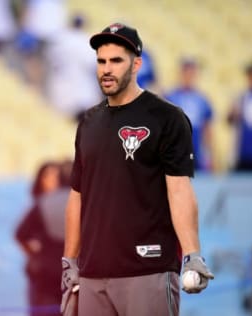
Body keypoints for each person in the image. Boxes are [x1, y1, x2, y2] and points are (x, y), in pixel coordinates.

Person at [61, 23, 214, 316]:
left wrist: (192, 254)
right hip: (93, 275)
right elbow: (77, 197)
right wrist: (69, 263)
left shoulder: (168, 117)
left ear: (136, 64)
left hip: (148, 271)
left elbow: (179, 189)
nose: (107, 69)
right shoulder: (88, 122)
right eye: (101, 61)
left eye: (116, 60)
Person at [15, 160, 63, 316]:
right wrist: (35, 253)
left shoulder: (68, 204)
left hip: (66, 274)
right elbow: (21, 234)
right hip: (43, 276)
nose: (52, 180)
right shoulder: (39, 206)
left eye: (56, 176)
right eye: (48, 176)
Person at [44, 13, 102, 122]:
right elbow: (93, 64)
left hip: (61, 82)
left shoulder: (60, 38)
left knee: (61, 117)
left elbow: (50, 58)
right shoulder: (87, 41)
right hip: (81, 84)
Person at [165, 57, 214, 171]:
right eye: (186, 71)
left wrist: (211, 156)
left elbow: (207, 129)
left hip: (197, 151)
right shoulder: (170, 97)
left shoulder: (202, 99)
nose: (189, 75)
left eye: (192, 72)